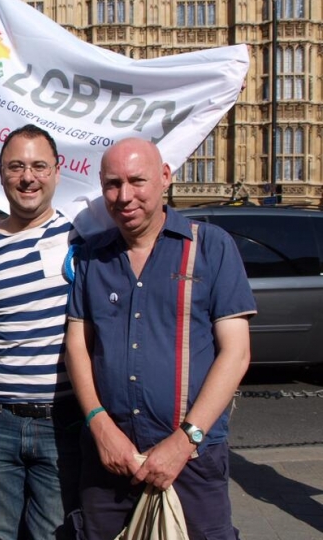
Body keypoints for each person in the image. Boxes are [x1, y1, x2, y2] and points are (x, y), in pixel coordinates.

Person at [65, 138, 256, 539]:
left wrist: (185, 441)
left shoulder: (210, 246)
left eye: (137, 181)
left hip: (192, 457)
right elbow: (78, 346)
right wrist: (100, 427)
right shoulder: (92, 257)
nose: (125, 195)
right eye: (113, 184)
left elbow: (236, 354)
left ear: (165, 178)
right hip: (109, 456)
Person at [0, 124, 82, 540]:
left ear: (57, 172)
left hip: (61, 420)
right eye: (16, 167)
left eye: (38, 166)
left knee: (54, 534)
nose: (28, 177)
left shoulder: (80, 240)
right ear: (1, 173)